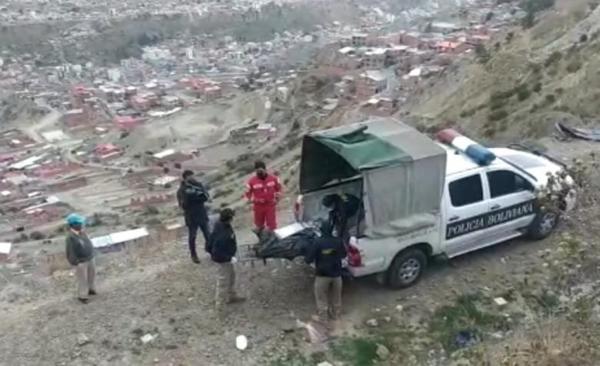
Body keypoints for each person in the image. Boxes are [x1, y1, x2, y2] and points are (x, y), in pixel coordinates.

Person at [305, 222, 347, 321]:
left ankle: (323, 318)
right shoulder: (338, 241)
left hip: (322, 275)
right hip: (337, 275)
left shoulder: (317, 242)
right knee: (337, 297)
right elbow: (344, 255)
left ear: (320, 231)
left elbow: (308, 259)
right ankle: (336, 316)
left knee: (320, 297)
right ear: (332, 230)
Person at [208, 208, 245, 310]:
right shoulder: (223, 235)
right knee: (223, 282)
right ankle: (220, 306)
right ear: (229, 218)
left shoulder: (220, 225)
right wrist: (229, 258)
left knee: (231, 277)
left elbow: (210, 242)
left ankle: (231, 296)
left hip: (227, 257)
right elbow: (216, 251)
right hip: (223, 260)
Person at [177, 170, 211, 263]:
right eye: (191, 176)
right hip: (191, 216)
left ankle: (210, 250)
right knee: (192, 236)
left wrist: (195, 196)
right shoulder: (181, 190)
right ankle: (194, 255)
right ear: (186, 177)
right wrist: (194, 197)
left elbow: (206, 196)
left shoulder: (198, 185)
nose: (193, 178)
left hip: (201, 213)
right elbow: (183, 204)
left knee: (207, 234)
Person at [65, 213, 96, 304]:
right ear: (73, 225)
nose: (81, 224)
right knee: (82, 280)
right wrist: (76, 263)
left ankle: (91, 289)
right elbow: (70, 252)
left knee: (91, 276)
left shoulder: (82, 233)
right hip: (81, 262)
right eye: (79, 223)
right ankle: (82, 296)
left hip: (90, 258)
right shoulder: (70, 237)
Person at [245, 161, 282, 231]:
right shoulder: (251, 181)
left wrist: (277, 198)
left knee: (272, 225)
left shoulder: (273, 178)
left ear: (265, 169)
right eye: (257, 171)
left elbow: (279, 189)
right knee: (259, 225)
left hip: (270, 205)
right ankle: (261, 239)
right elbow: (247, 195)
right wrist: (255, 200)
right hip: (258, 206)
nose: (259, 173)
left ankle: (274, 238)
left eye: (260, 170)